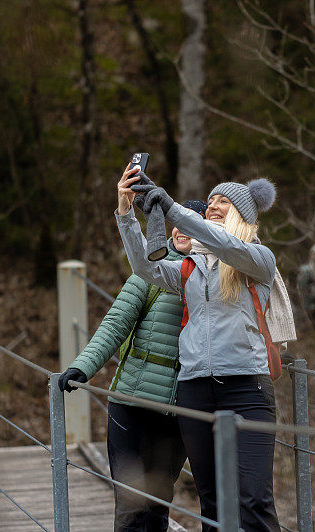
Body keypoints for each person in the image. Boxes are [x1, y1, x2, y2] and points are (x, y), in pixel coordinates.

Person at [115, 171, 284, 532]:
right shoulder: (191, 268)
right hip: (195, 391)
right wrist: (127, 213)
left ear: (244, 214)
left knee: (254, 498)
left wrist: (172, 209)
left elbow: (224, 246)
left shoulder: (258, 258)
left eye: (223, 201)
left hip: (246, 388)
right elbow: (145, 267)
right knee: (212, 500)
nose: (213, 206)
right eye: (209, 202)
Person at [58, 200, 207, 532]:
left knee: (157, 504)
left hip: (179, 410)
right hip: (132, 403)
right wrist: (83, 367)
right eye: (177, 222)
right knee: (129, 502)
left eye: (192, 223)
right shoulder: (150, 271)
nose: (181, 229)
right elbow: (114, 325)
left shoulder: (215, 278)